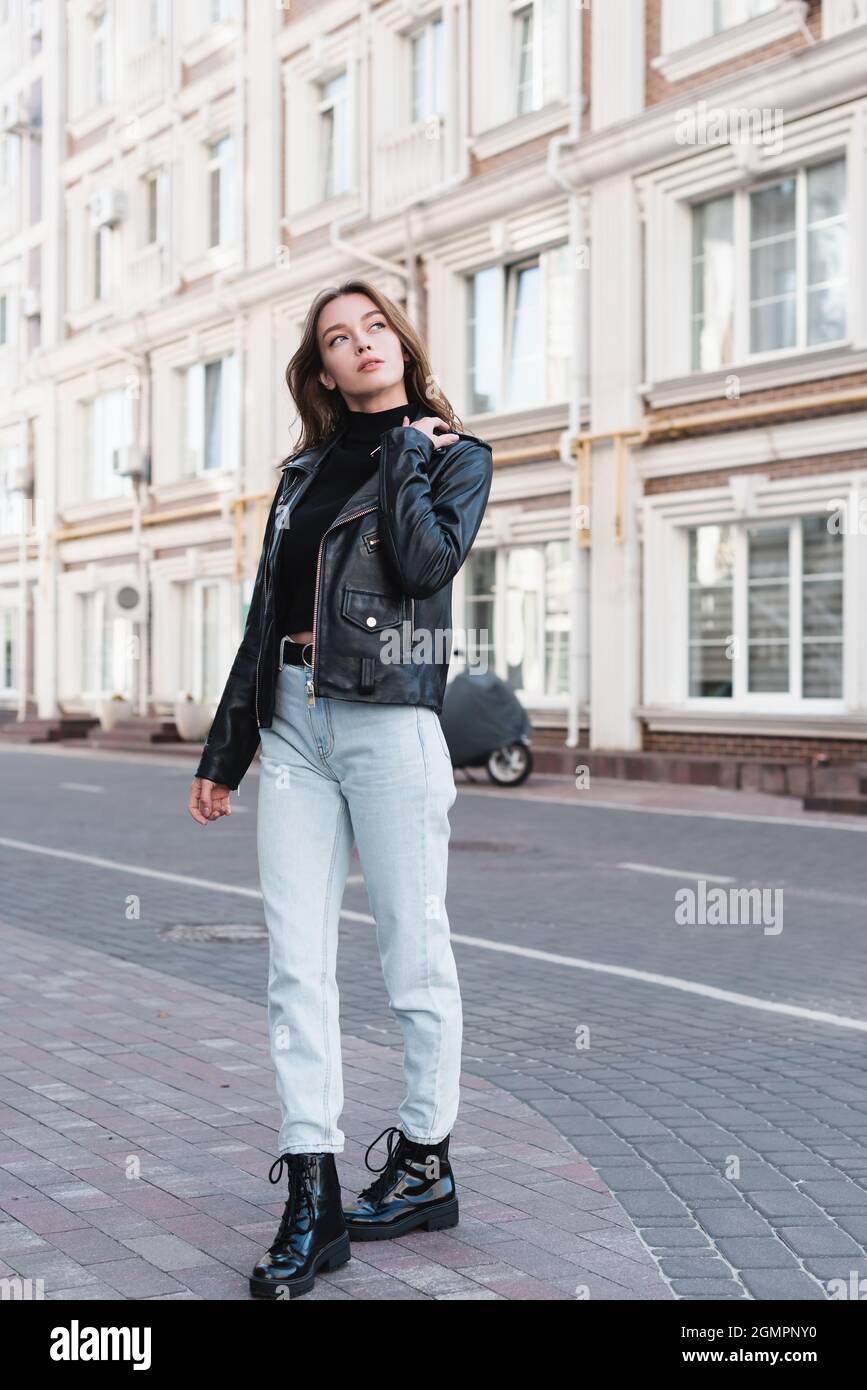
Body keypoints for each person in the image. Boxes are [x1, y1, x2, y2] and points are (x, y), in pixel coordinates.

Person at [186, 278, 493, 1298]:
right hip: (295, 723)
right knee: (294, 964)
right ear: (322, 368)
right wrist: (227, 748)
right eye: (337, 337)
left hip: (391, 720)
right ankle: (312, 1191)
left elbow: (418, 565)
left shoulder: (455, 457)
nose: (360, 344)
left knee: (415, 950)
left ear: (400, 345)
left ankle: (424, 1158)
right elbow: (264, 613)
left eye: (374, 328)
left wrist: (407, 450)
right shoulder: (301, 474)